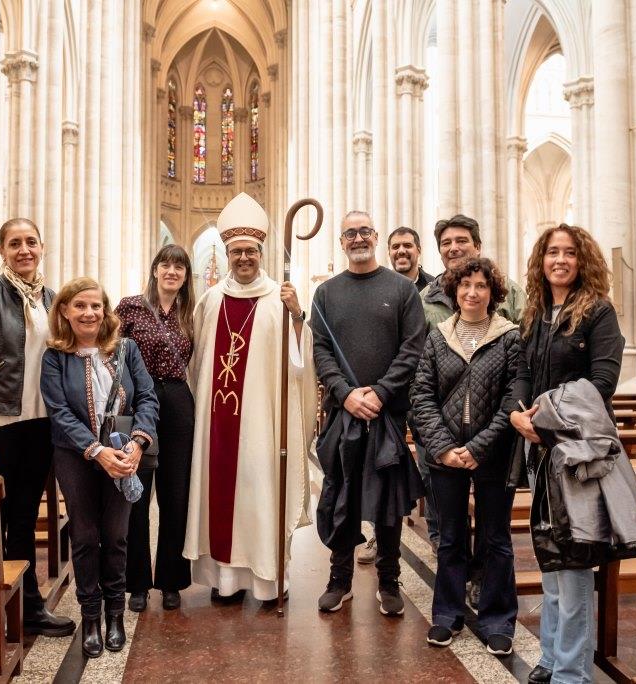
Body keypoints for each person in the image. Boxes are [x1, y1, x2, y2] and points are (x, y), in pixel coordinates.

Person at [183, 192, 317, 604]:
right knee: (220, 499)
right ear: (227, 255)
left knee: (260, 497)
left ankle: (267, 579)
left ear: (261, 253)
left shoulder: (280, 299)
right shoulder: (210, 300)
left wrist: (298, 317)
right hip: (217, 425)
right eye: (236, 252)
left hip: (262, 424)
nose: (244, 258)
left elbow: (299, 363)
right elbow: (196, 363)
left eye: (250, 251)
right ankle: (225, 582)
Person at [508, 223, 624, 684]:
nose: (560, 260)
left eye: (570, 253)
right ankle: (552, 656)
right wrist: (516, 413)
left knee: (574, 562)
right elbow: (522, 372)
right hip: (540, 451)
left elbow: (602, 383)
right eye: (553, 252)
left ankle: (572, 672)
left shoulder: (598, 312)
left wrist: (544, 420)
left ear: (582, 260)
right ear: (541, 260)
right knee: (550, 556)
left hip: (578, 452)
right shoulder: (535, 313)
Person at [0, 217, 75, 638]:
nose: (24, 250)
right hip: (2, 424)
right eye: (14, 243)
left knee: (23, 518)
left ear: (42, 247)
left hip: (41, 424)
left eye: (31, 242)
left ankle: (25, 607)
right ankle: (11, 603)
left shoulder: (52, 300)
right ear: (2, 251)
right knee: (1, 520)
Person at [312, 210, 426, 617]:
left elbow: (413, 348)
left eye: (364, 231)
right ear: (341, 242)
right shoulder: (326, 293)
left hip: (386, 414)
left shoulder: (402, 290)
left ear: (375, 237)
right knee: (341, 496)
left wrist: (380, 392)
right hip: (343, 412)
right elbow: (320, 349)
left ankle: (389, 580)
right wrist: (345, 394)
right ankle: (339, 580)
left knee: (388, 504)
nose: (358, 238)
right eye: (350, 233)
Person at [41, 277, 159, 657]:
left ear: (105, 310)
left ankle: (115, 615)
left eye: (96, 305)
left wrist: (138, 443)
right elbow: (58, 411)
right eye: (80, 305)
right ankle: (90, 616)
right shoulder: (55, 356)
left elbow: (147, 397)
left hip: (123, 455)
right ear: (64, 311)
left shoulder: (126, 348)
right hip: (74, 458)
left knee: (117, 535)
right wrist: (95, 451)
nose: (89, 313)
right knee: (85, 536)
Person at [411, 257, 520, 655]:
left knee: (496, 537)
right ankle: (447, 615)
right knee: (450, 537)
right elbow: (422, 394)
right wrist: (443, 447)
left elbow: (513, 398)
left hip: (493, 453)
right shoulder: (438, 337)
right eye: (465, 285)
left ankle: (497, 619)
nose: (472, 292)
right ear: (454, 291)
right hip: (446, 455)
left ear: (493, 293)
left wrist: (479, 447)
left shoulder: (509, 337)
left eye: (481, 286)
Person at [116, 245, 196, 613]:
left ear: (186, 275)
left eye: (179, 266)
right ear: (155, 269)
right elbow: (110, 350)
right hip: (139, 401)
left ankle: (171, 580)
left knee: (175, 494)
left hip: (178, 400)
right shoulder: (130, 306)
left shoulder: (191, 312)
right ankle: (136, 582)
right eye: (166, 264)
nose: (172, 271)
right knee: (136, 492)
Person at [387, 226, 434, 292]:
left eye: (407, 245)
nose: (401, 251)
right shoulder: (378, 285)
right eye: (396, 247)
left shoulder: (435, 287)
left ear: (419, 251)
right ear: (389, 253)